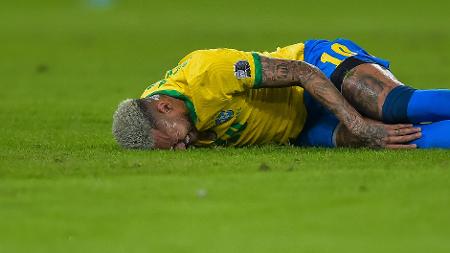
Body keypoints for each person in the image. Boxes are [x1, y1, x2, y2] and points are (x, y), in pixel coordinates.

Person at [112, 38, 450, 150]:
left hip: (317, 66)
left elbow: (303, 74)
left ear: (167, 106)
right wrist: (359, 131)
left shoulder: (208, 71)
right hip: (298, 128)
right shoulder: (149, 109)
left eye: (174, 141)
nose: (181, 149)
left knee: (396, 108)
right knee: (397, 140)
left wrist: (359, 122)